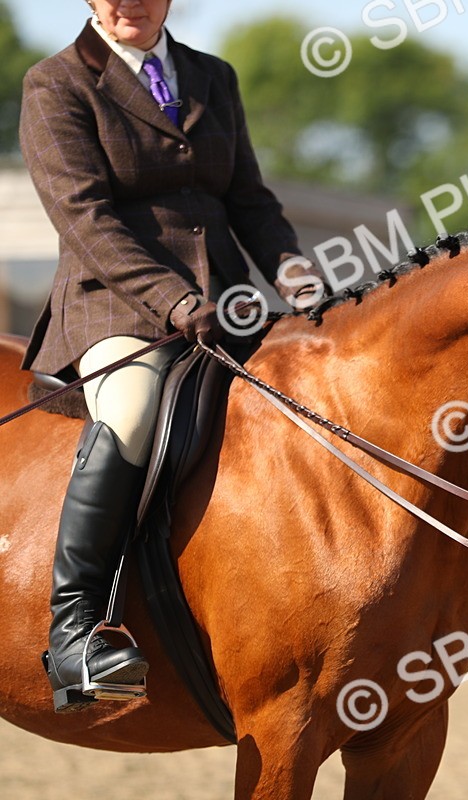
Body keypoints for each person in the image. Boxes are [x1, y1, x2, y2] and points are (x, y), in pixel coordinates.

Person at [20, 0, 325, 712]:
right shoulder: (56, 83)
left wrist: (294, 273)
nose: (129, 2)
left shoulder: (211, 76)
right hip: (119, 305)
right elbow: (85, 218)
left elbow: (249, 199)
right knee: (131, 411)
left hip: (226, 305)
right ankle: (76, 633)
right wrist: (173, 301)